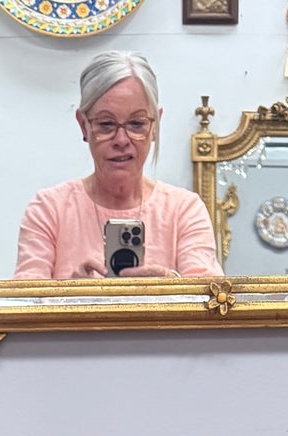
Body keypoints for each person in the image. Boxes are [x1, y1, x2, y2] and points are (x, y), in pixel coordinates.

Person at [14, 52, 222, 281]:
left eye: (136, 124)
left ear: (155, 126)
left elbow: (210, 304)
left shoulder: (184, 211)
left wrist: (171, 285)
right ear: (84, 126)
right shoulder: (49, 210)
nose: (121, 140)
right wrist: (69, 298)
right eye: (106, 124)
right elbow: (25, 306)